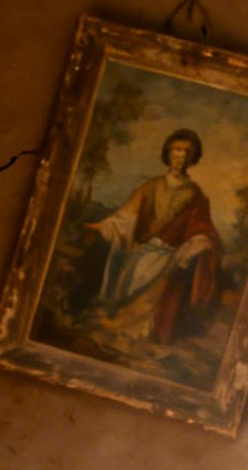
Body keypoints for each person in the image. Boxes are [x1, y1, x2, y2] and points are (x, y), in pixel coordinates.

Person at [87, 127, 223, 346]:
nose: (180, 157)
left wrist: (199, 243)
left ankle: (134, 327)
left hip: (173, 253)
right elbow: (127, 216)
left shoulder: (195, 195)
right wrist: (107, 225)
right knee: (137, 261)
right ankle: (115, 315)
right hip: (142, 247)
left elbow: (203, 230)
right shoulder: (151, 186)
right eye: (175, 151)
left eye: (186, 153)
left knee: (154, 266)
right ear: (167, 155)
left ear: (192, 158)